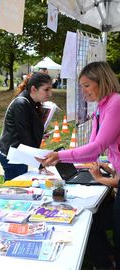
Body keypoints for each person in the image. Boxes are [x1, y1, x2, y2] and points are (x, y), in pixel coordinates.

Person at [38, 61, 120, 270]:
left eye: (86, 85)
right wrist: (96, 163)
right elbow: (95, 146)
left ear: (101, 82)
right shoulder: (103, 106)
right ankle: (105, 259)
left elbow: (96, 146)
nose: (83, 91)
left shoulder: (116, 103)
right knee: (93, 221)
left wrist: (59, 156)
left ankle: (107, 262)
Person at [0, 72, 53, 181]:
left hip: (19, 154)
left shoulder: (30, 102)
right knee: (14, 189)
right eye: (46, 89)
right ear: (33, 89)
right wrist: (41, 164)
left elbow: (27, 129)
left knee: (17, 187)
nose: (50, 94)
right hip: (13, 155)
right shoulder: (21, 104)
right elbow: (26, 137)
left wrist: (41, 134)